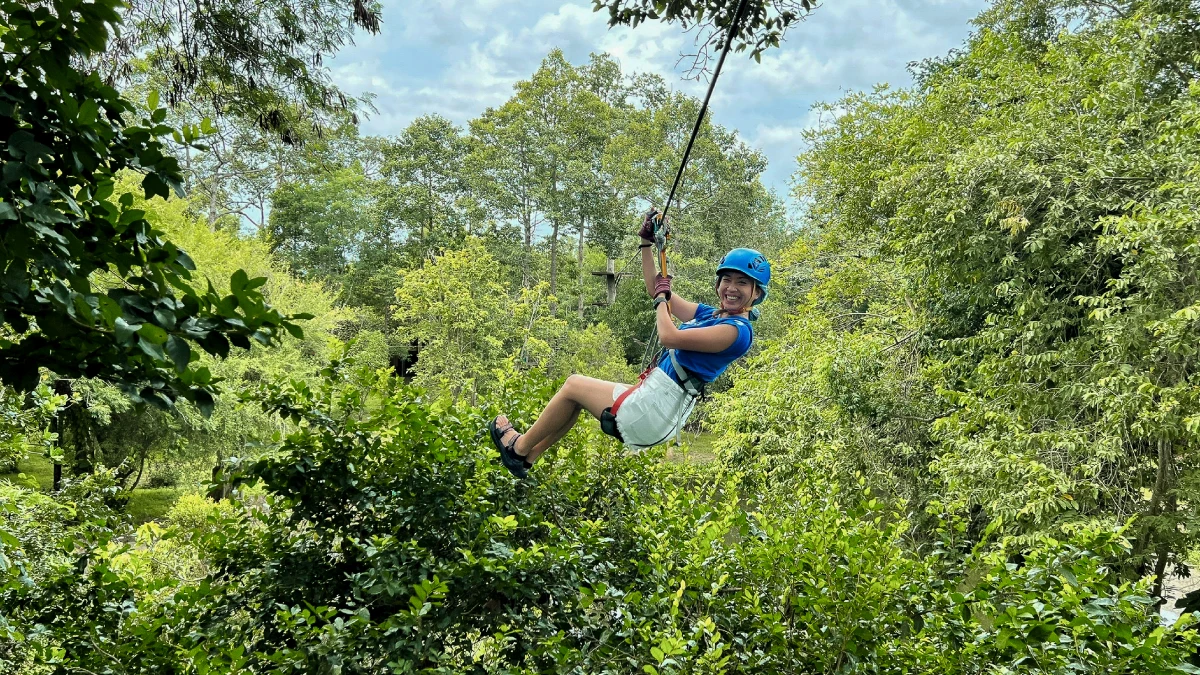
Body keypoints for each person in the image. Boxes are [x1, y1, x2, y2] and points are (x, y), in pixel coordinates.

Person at [488, 209, 770, 478]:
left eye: (742, 284)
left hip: (656, 408)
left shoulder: (737, 332)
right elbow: (655, 289)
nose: (731, 288)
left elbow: (669, 335)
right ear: (719, 283)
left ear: (756, 293)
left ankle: (518, 447)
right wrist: (646, 244)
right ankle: (528, 456)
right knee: (574, 398)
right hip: (655, 402)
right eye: (727, 280)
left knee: (573, 384)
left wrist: (663, 298)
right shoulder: (711, 314)